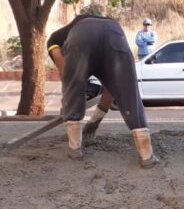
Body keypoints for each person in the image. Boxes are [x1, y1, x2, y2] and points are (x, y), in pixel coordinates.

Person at [47, 12, 160, 168]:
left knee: (72, 87)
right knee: (128, 92)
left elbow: (66, 74)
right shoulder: (107, 25)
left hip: (83, 35)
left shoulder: (55, 39)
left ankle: (75, 150)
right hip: (115, 33)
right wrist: (96, 119)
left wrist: (70, 99)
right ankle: (146, 156)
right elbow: (112, 88)